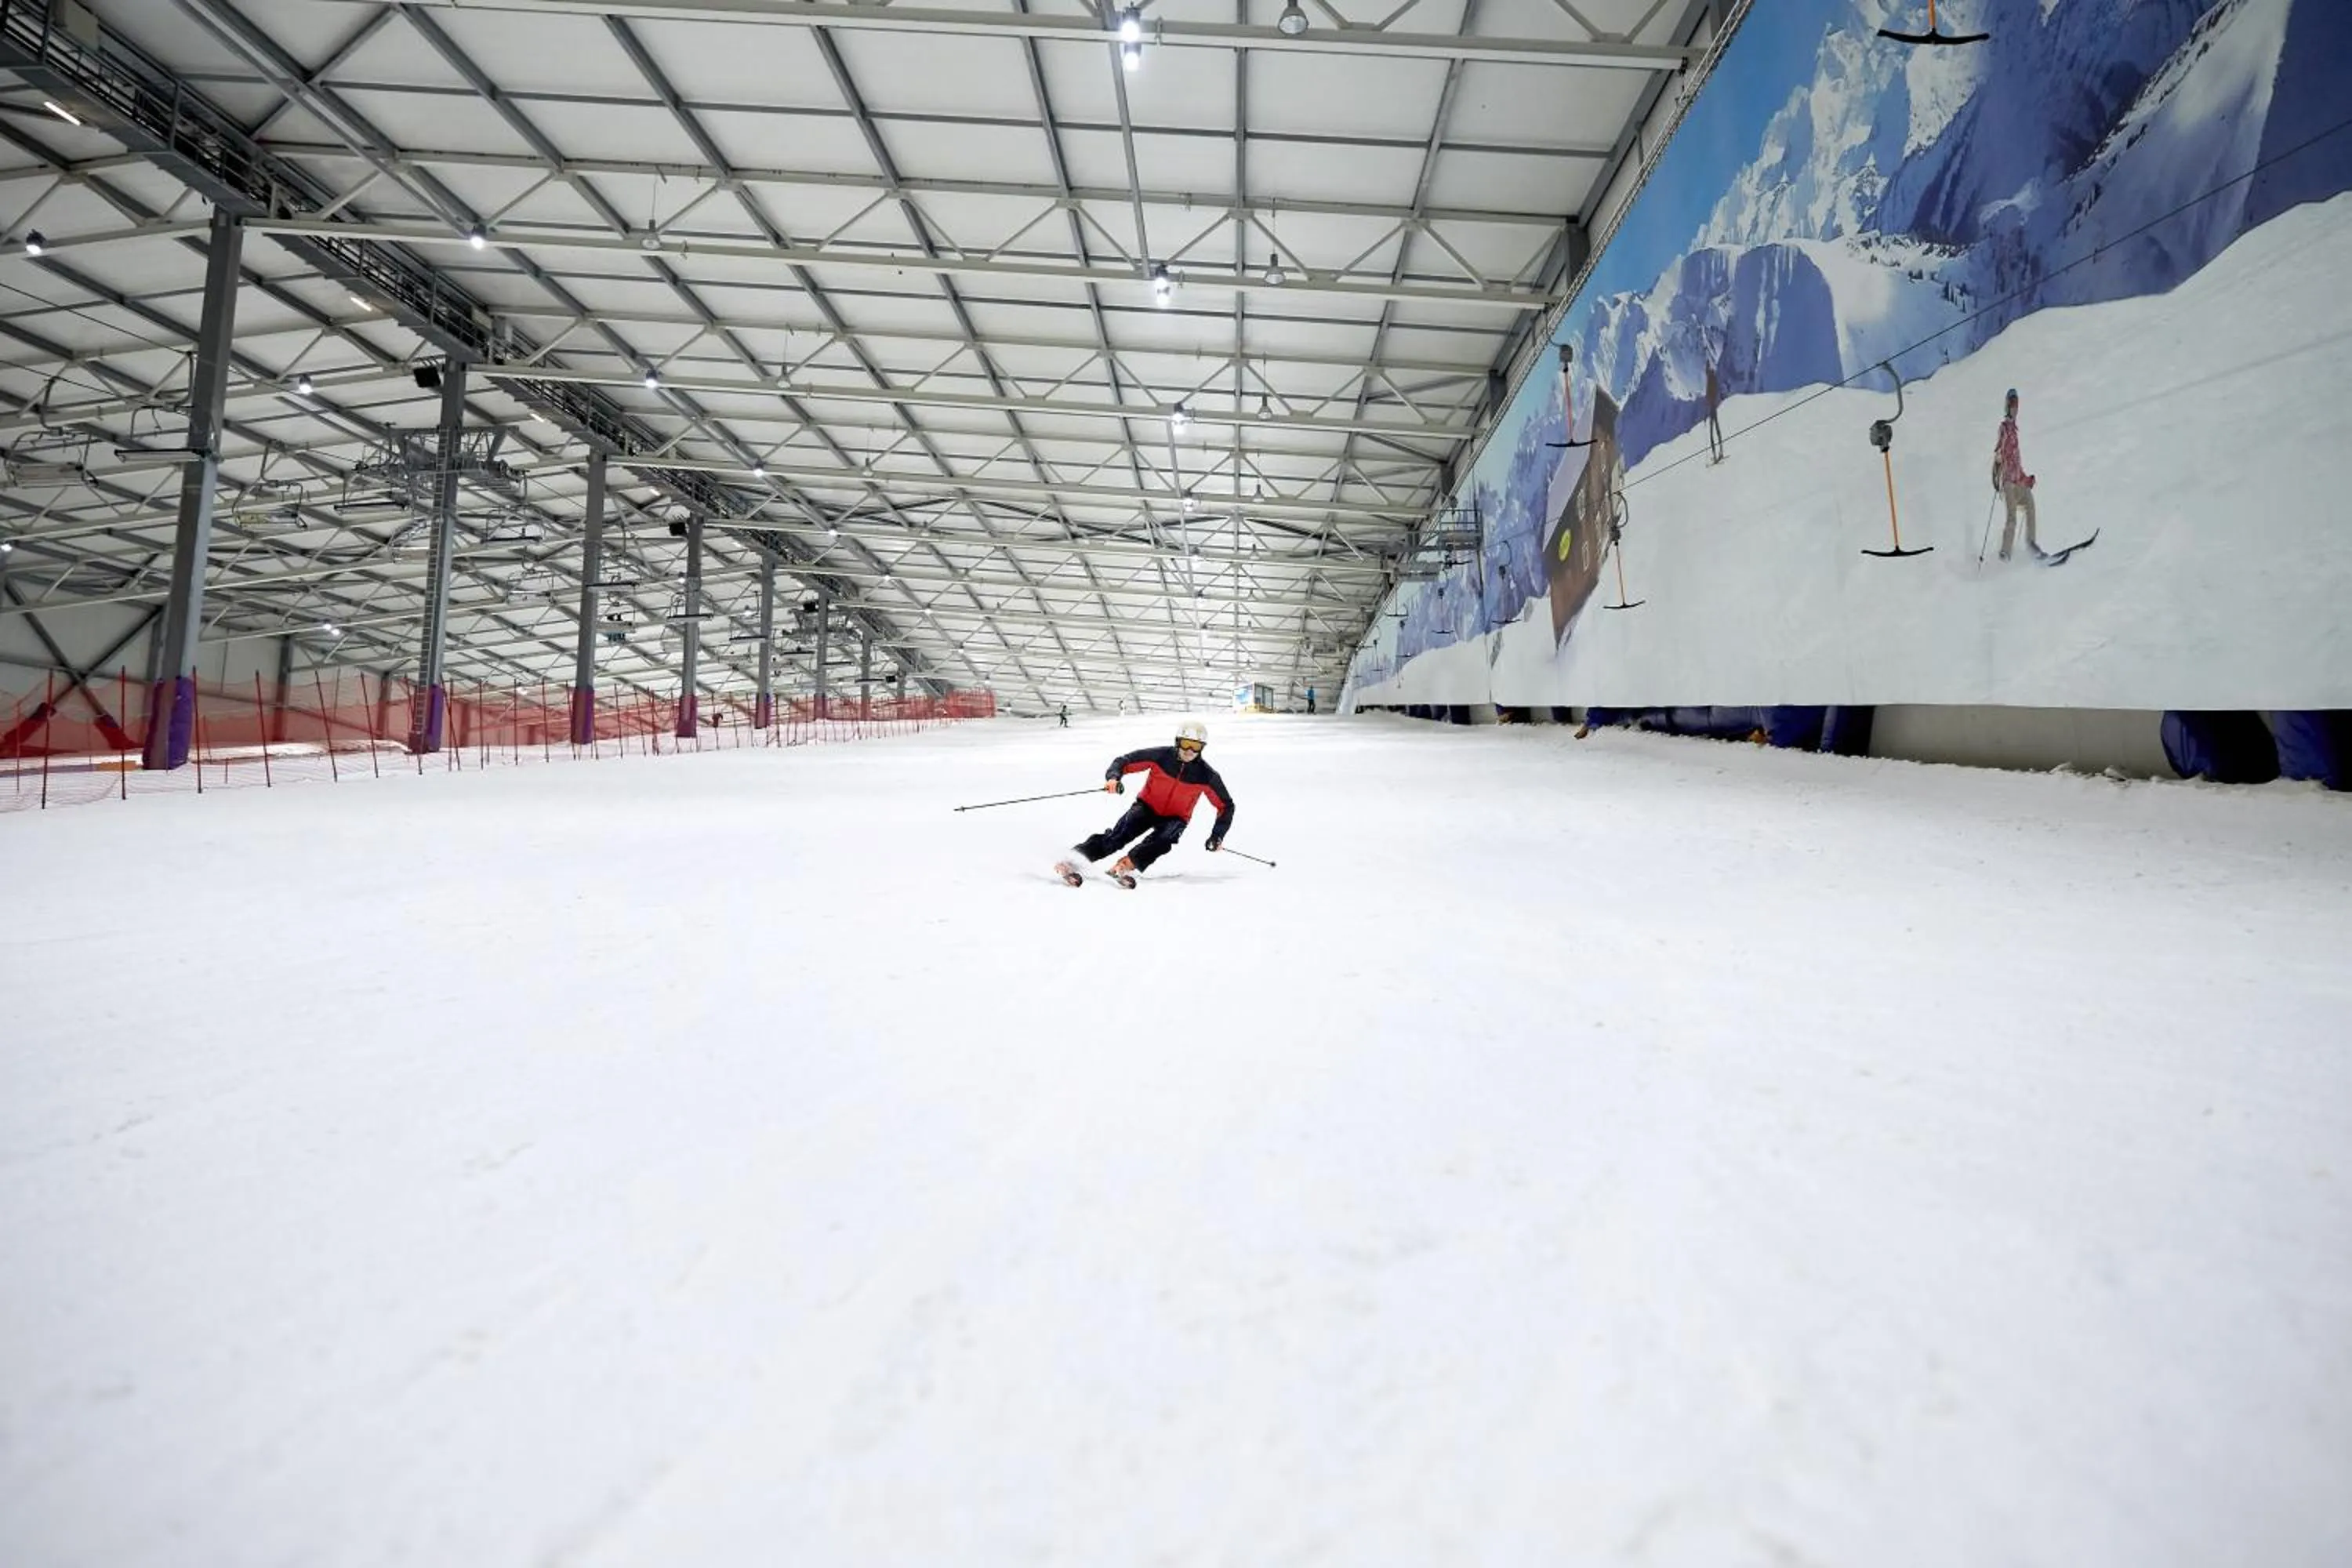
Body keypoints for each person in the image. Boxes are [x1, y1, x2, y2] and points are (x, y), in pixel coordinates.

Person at [1056, 720, 1234, 885]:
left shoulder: (1207, 776)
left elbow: (1225, 806)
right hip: (1147, 807)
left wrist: (1217, 835)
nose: (1189, 750)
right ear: (1177, 742)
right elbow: (1124, 761)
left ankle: (1126, 866)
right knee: (1117, 838)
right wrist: (1114, 778)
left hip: (1176, 818)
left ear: (1202, 748)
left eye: (1195, 746)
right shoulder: (1161, 757)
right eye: (1186, 743)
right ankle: (1071, 860)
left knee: (1164, 840)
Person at [1991, 387, 2040, 560]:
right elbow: (1999, 451)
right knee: (2012, 517)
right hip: (2008, 483)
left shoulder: (2015, 431)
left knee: (2030, 504)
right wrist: (1998, 460)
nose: (2015, 407)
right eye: (2012, 403)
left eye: (2017, 404)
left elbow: (2017, 465)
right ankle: (2005, 552)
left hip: (2017, 481)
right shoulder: (2004, 428)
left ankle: (2031, 544)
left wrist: (2027, 480)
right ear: (2007, 406)